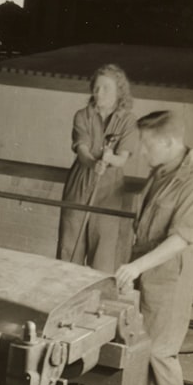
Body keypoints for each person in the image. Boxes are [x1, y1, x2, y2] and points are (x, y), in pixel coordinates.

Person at [115, 110, 193, 385]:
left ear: (169, 142)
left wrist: (136, 268)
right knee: (144, 347)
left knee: (161, 353)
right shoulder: (162, 170)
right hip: (148, 271)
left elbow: (180, 238)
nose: (143, 152)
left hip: (169, 278)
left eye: (148, 145)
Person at [58, 64, 139, 271]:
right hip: (80, 181)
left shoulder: (128, 121)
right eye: (96, 87)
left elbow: (123, 158)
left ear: (119, 92)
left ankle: (95, 297)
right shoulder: (82, 115)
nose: (98, 93)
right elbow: (82, 148)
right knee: (70, 245)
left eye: (105, 88)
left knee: (103, 248)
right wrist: (93, 163)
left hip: (110, 188)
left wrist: (111, 159)